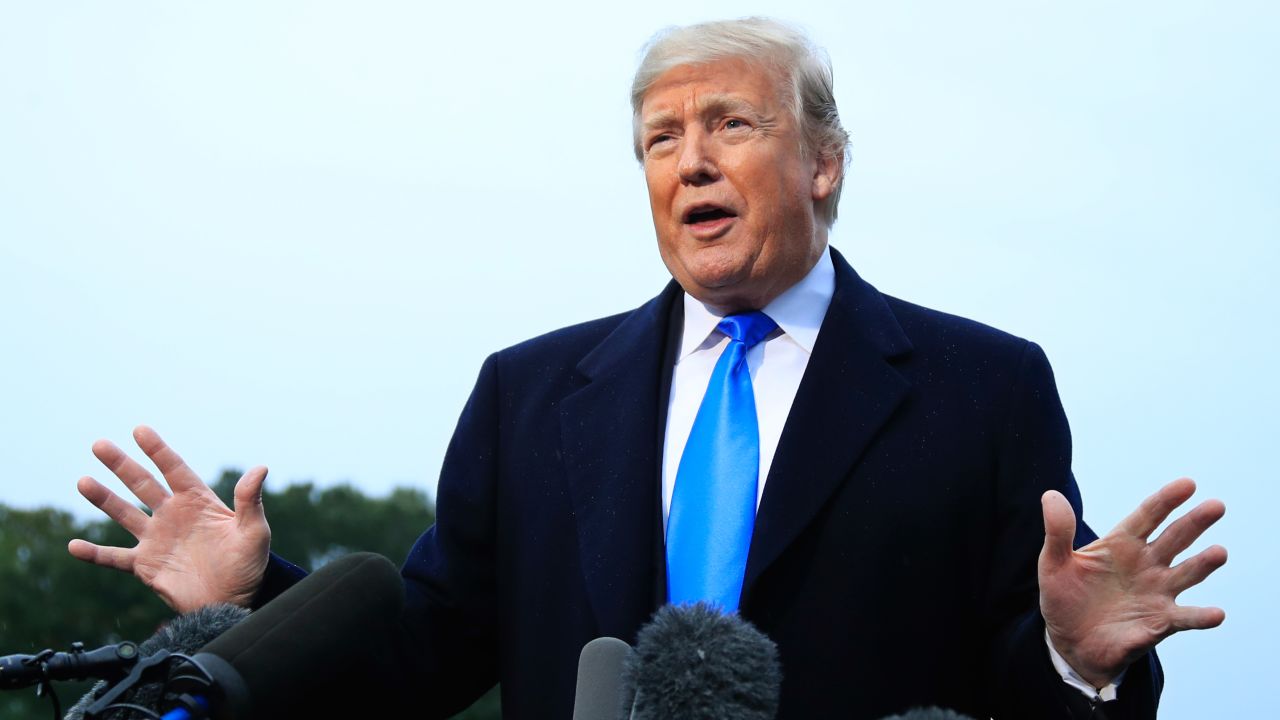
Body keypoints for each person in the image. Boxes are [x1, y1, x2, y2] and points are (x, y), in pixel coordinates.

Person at [67, 18, 1226, 719]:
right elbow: (418, 663)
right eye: (659, 140)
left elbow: (1014, 672)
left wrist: (1081, 668)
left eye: (728, 124)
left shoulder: (982, 386)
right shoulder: (527, 394)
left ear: (822, 163)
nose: (689, 162)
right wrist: (261, 605)